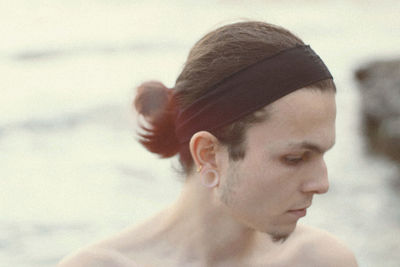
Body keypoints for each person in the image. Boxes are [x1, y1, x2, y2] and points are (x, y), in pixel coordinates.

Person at [58, 21, 358, 267]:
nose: (322, 183)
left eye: (322, 155)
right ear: (209, 155)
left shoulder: (322, 260)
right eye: (294, 158)